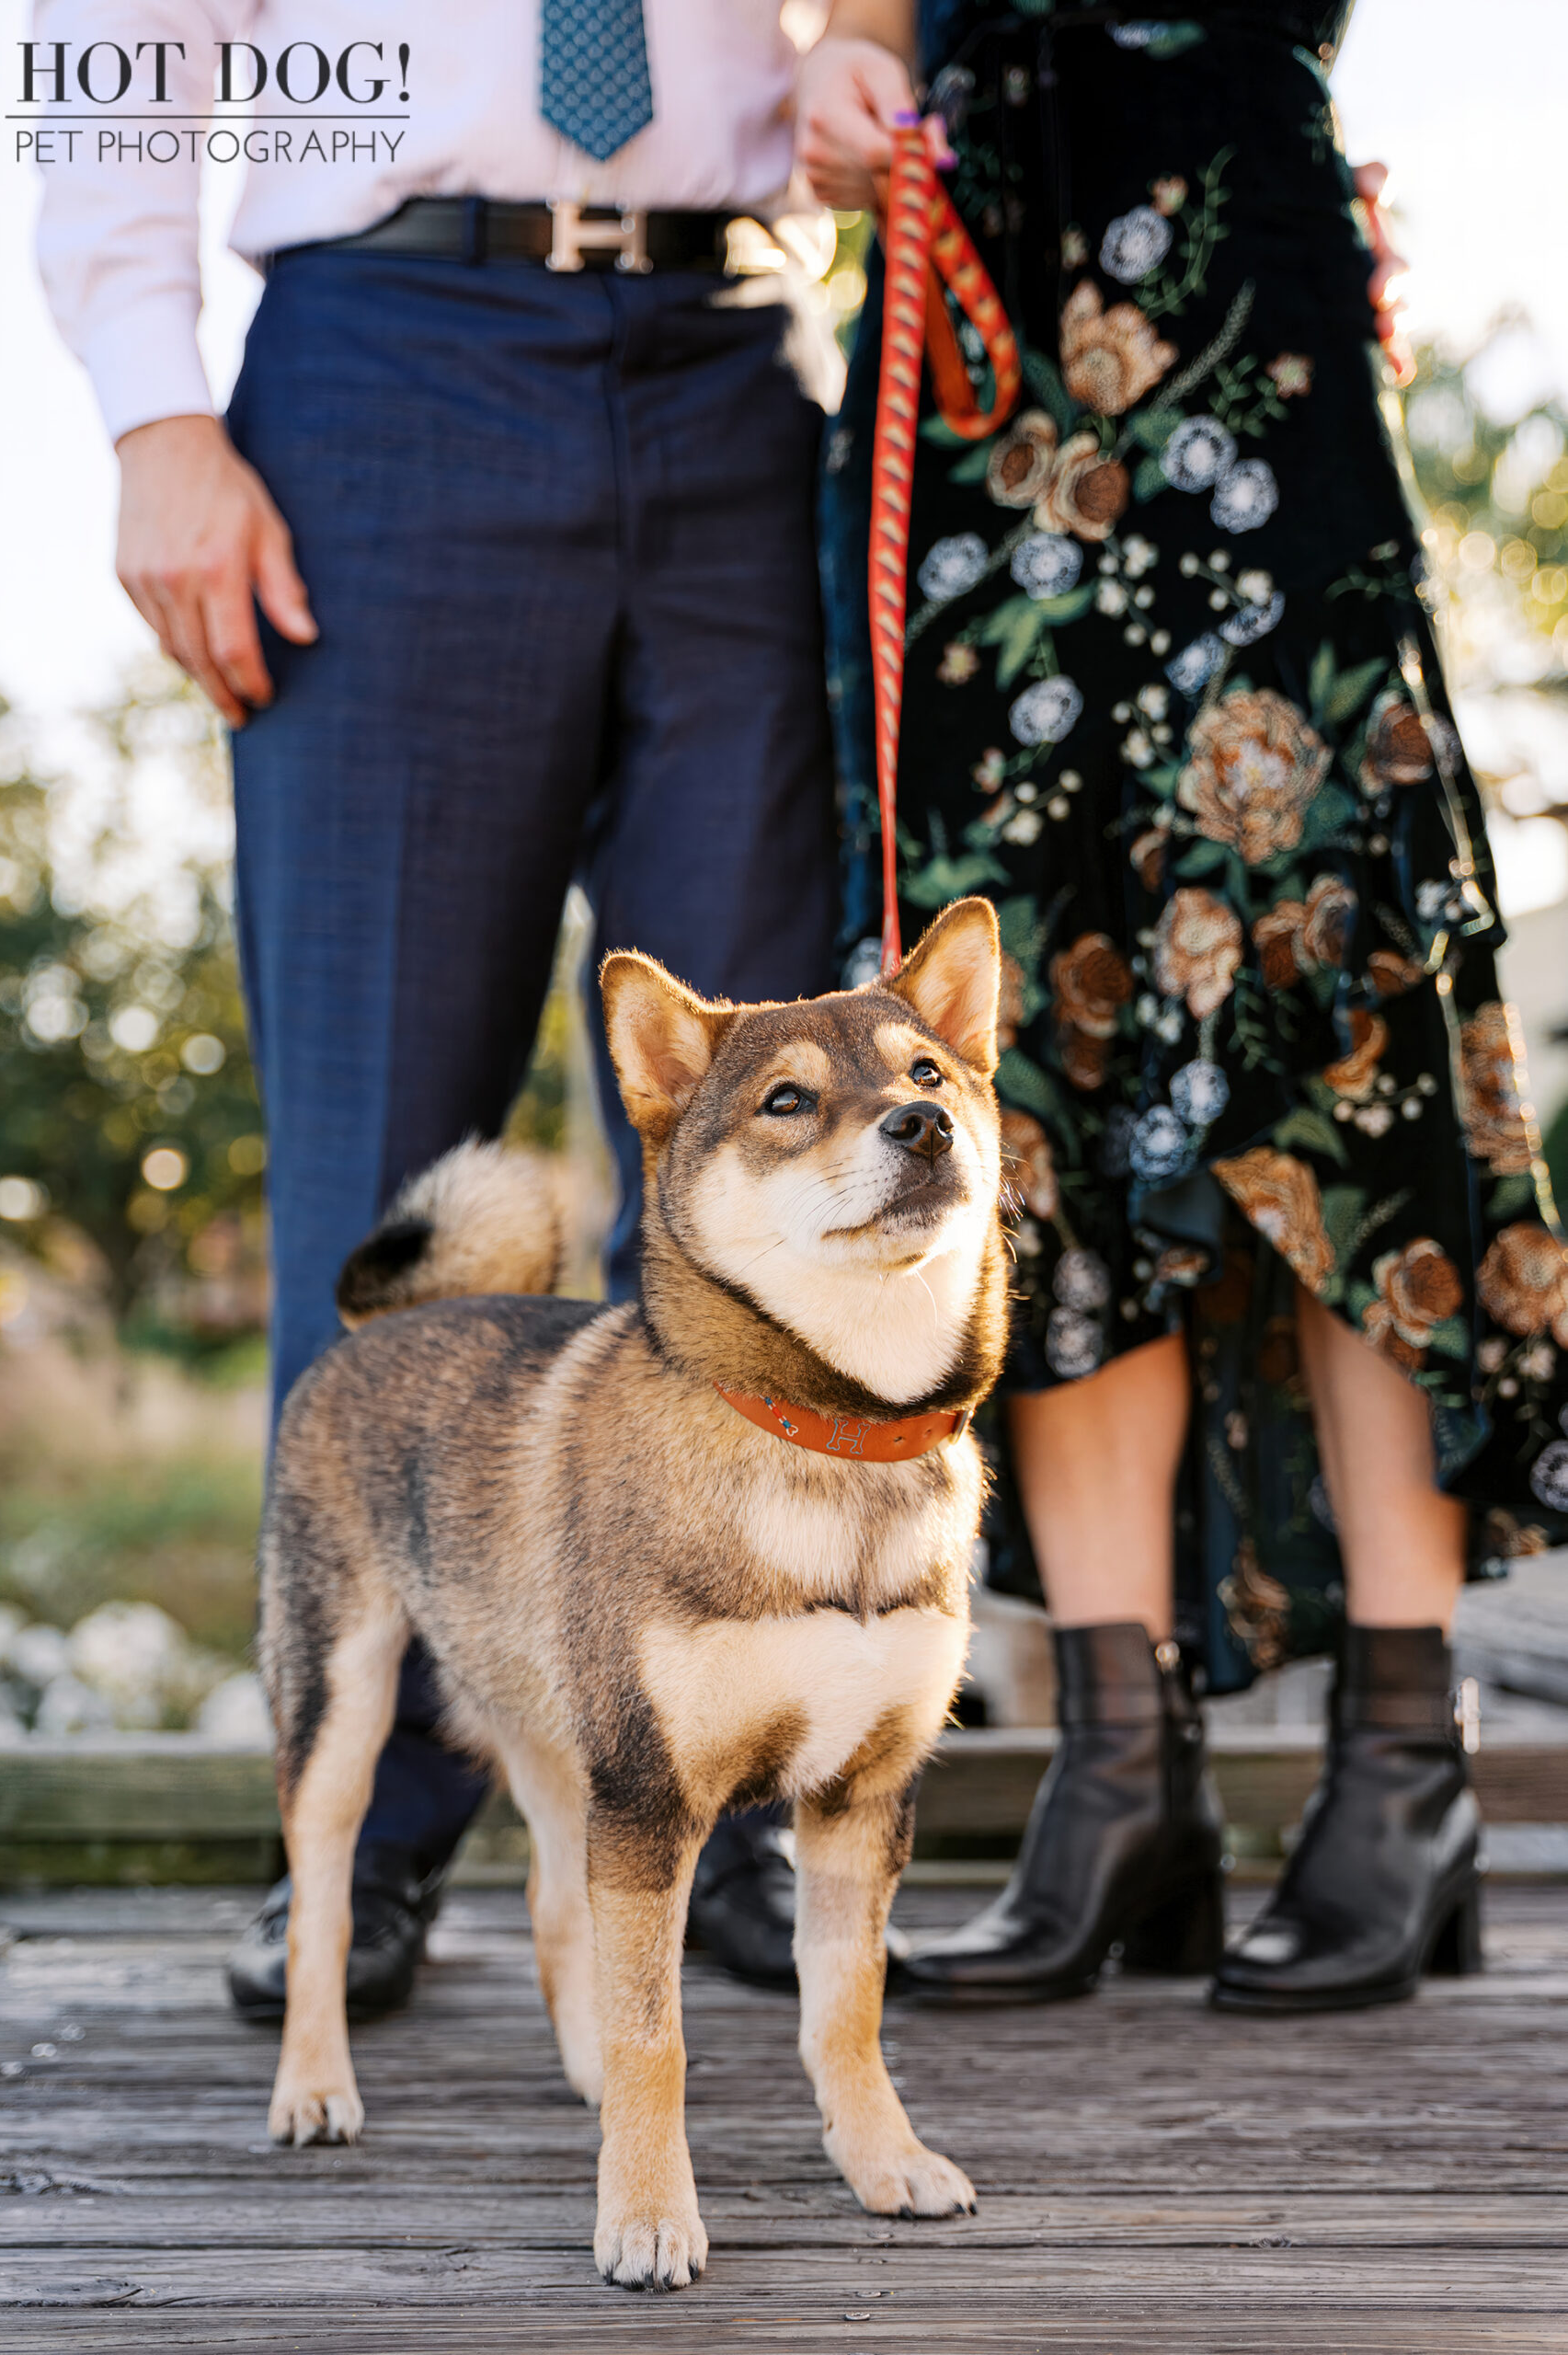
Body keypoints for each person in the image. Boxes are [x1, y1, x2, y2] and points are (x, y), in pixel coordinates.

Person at [36, 0, 838, 2007]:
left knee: (768, 1163)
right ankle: (361, 1820)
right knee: (386, 1175)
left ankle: (728, 1797)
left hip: (741, 370)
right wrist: (153, 412)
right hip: (384, 369)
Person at [801, 0, 1568, 2008]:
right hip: (975, 305)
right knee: (1025, 1037)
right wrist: (839, 77)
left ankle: (1405, 1763)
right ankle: (1116, 1774)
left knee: (1333, 999)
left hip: (1251, 278)